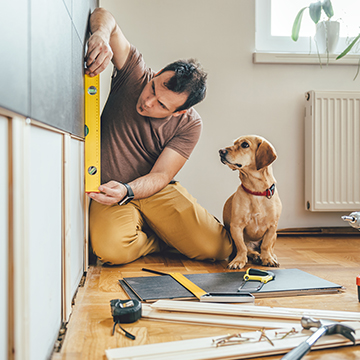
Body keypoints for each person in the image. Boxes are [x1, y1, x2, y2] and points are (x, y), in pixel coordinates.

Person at [85, 7, 232, 265]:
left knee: (218, 249)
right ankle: (160, 239)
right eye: (153, 87)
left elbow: (162, 175)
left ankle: (166, 232)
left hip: (152, 189)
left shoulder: (190, 124)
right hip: (108, 189)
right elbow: (104, 16)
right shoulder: (134, 74)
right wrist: (100, 33)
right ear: (156, 75)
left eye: (162, 105)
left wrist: (130, 190)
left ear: (179, 112)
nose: (148, 102)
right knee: (111, 251)